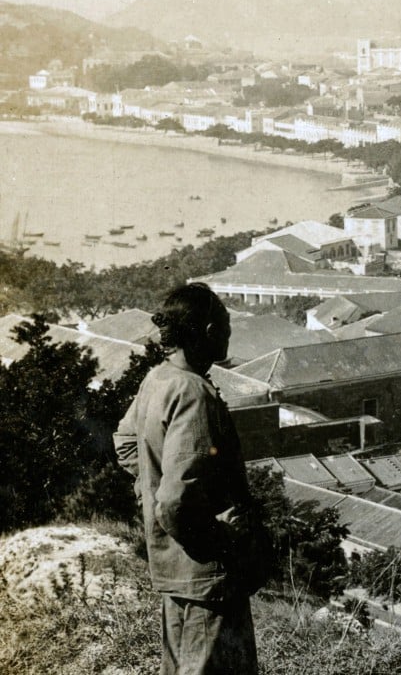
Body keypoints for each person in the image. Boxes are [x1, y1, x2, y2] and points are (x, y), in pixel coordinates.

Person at [114, 283, 259, 675]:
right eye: (227, 325)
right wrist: (220, 534)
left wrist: (150, 484)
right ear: (211, 331)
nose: (229, 334)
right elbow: (176, 503)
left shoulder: (158, 378)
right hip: (207, 576)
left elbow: (126, 443)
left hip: (174, 568)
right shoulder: (194, 393)